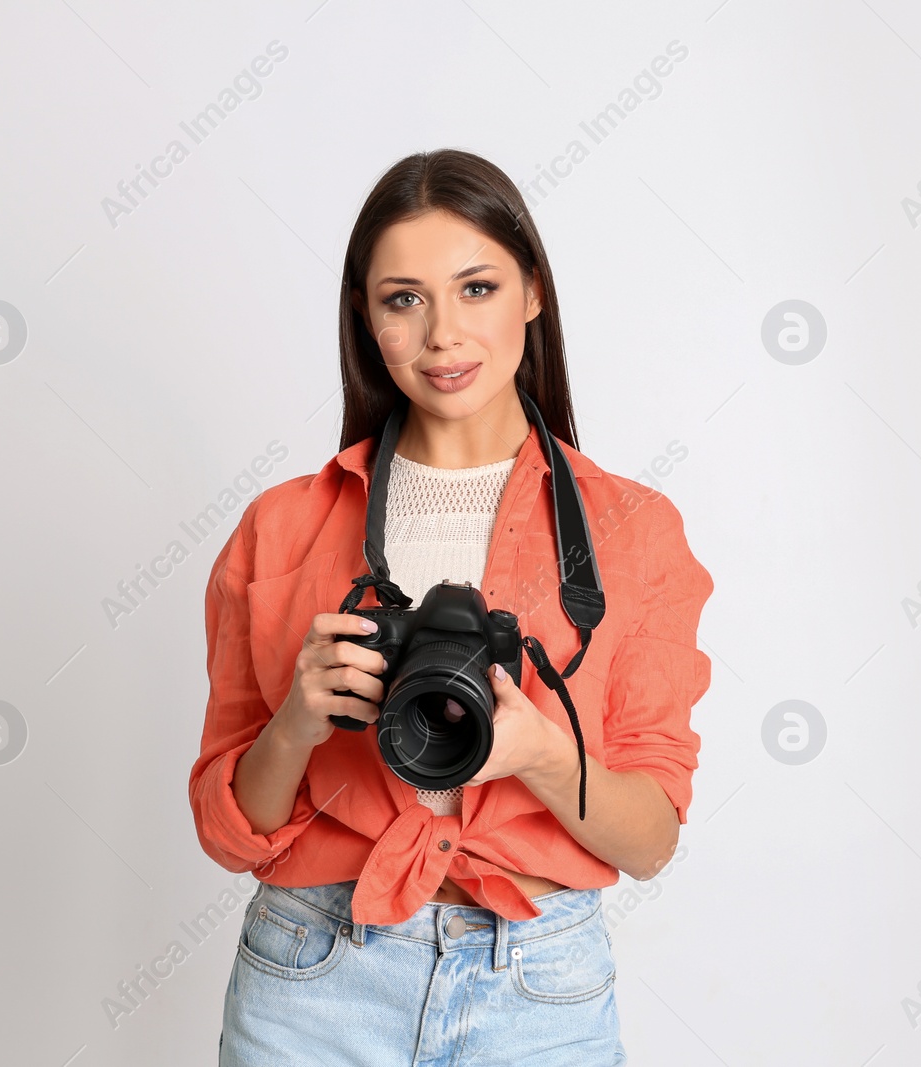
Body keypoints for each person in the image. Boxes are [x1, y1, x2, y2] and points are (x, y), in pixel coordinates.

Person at [189, 148, 713, 1065]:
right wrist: (298, 722)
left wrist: (544, 755)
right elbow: (229, 829)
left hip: (539, 987)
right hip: (314, 977)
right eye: (404, 298)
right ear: (367, 316)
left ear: (533, 294)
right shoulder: (280, 528)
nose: (443, 333)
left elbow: (652, 839)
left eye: (476, 288)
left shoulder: (634, 530)